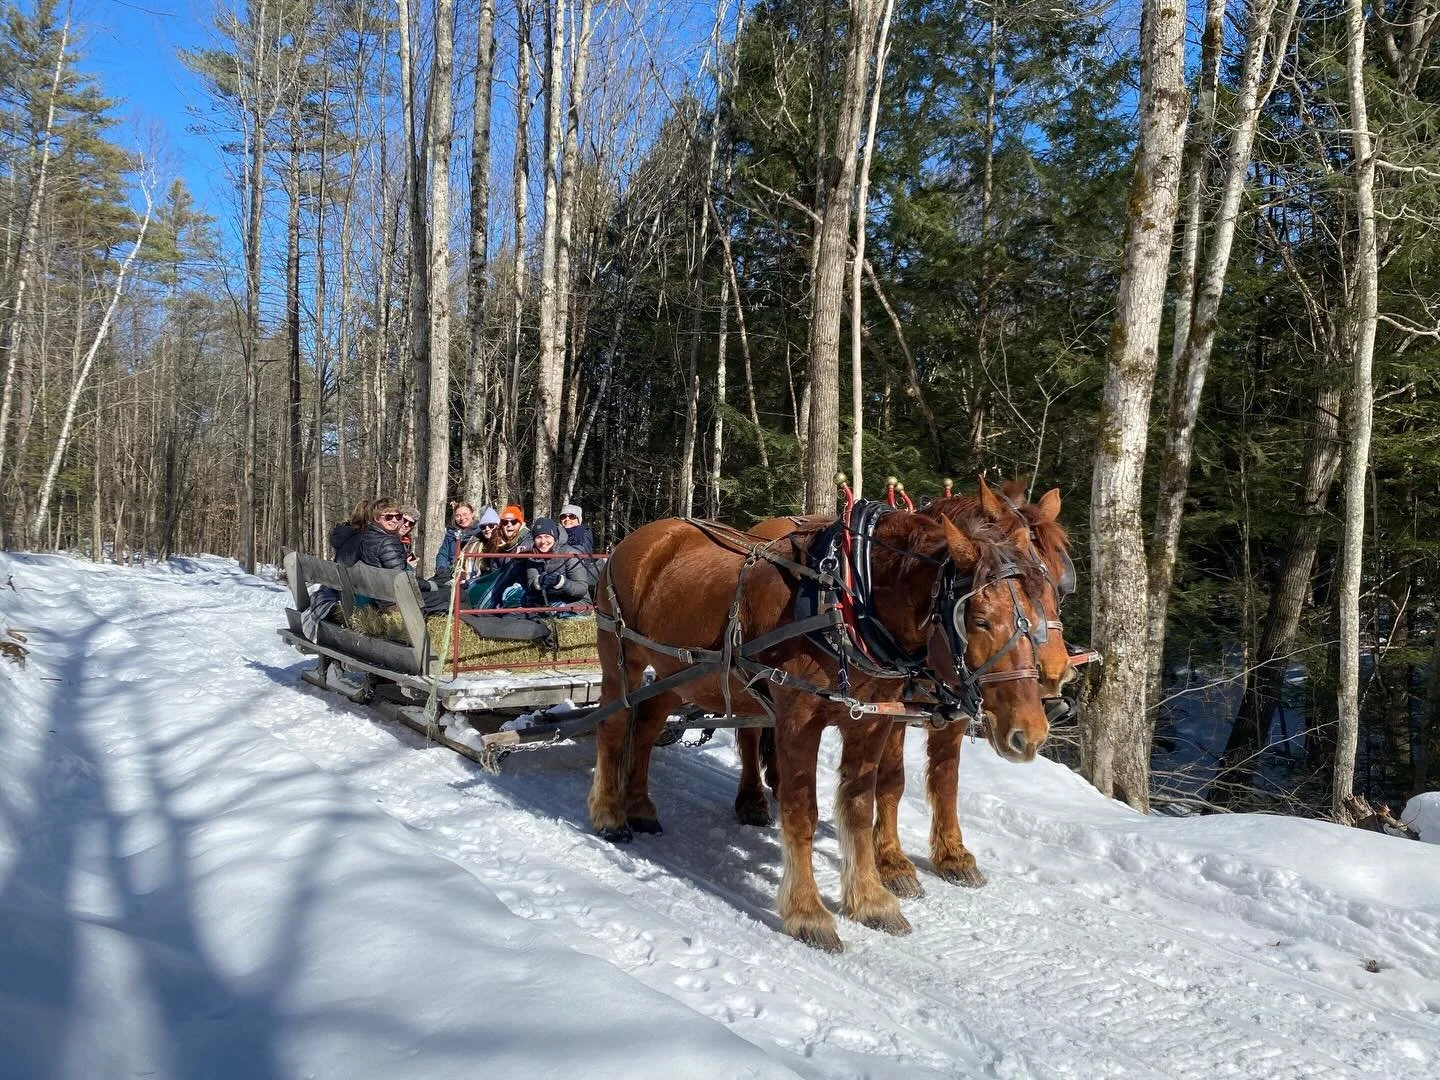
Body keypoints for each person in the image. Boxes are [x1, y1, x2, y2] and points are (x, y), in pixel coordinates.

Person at [359, 497, 449, 614]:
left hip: (377, 596)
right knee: (454, 595)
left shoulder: (366, 537)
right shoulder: (388, 542)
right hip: (392, 602)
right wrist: (429, 586)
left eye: (398, 517)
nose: (395, 520)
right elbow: (403, 581)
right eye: (388, 517)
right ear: (376, 518)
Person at [518, 517, 592, 606]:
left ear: (555, 537)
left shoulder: (570, 554)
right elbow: (531, 584)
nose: (543, 541)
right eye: (538, 537)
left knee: (557, 612)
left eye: (547, 536)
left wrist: (562, 582)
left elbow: (582, 589)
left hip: (576, 602)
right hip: (547, 601)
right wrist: (538, 582)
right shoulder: (533, 556)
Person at [435, 503, 481, 580]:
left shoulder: (480, 532)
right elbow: (443, 554)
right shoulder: (451, 533)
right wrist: (441, 568)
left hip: (471, 574)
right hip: (450, 572)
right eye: (458, 516)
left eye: (465, 514)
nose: (462, 518)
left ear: (472, 514)